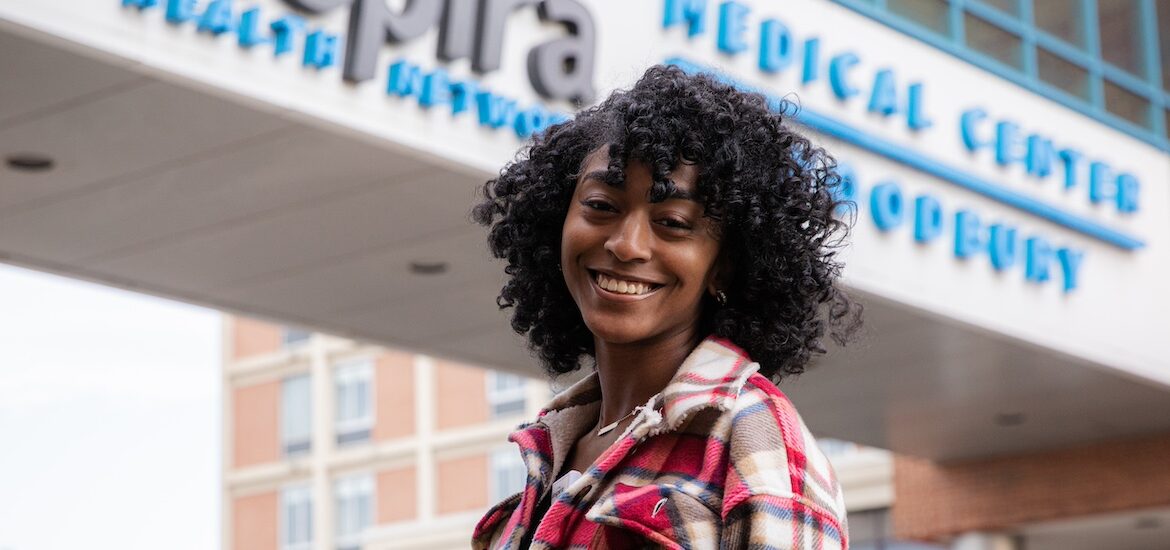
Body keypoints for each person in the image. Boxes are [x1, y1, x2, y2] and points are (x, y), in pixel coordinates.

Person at [470, 64, 862, 549]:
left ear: (725, 265)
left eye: (673, 222)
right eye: (601, 205)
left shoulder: (755, 436)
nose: (626, 244)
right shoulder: (552, 448)